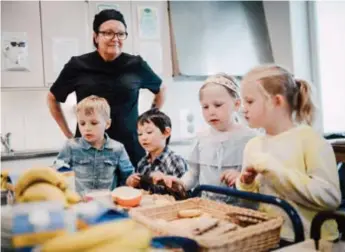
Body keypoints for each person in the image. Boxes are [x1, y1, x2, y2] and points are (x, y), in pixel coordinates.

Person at [47, 9, 165, 167]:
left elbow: (161, 89)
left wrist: (148, 119)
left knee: (132, 191)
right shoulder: (78, 65)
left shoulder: (136, 65)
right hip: (89, 151)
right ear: (96, 36)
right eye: (108, 33)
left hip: (130, 150)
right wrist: (68, 134)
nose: (115, 38)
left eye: (120, 34)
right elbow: (52, 98)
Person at [236, 64, 341, 241]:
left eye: (250, 101)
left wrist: (273, 169)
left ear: (277, 101)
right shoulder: (252, 146)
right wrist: (246, 184)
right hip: (273, 239)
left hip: (314, 242)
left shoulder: (310, 140)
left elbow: (330, 198)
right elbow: (251, 203)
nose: (243, 108)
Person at [153, 74, 256, 203]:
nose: (211, 112)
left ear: (236, 104)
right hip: (208, 208)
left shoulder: (251, 138)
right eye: (205, 107)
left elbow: (260, 180)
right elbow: (193, 175)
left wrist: (241, 178)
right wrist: (179, 183)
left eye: (218, 105)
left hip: (241, 210)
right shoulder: (201, 138)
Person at [53, 95, 134, 196]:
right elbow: (58, 173)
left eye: (94, 123)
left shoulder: (118, 148)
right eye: (82, 123)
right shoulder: (71, 146)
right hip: (79, 204)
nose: (87, 128)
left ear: (107, 124)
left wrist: (132, 181)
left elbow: (128, 177)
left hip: (108, 204)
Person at [126, 109, 188, 192]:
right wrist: (132, 183)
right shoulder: (142, 163)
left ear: (166, 132)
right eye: (140, 134)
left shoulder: (175, 161)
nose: (143, 137)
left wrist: (165, 180)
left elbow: (185, 194)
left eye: (149, 132)